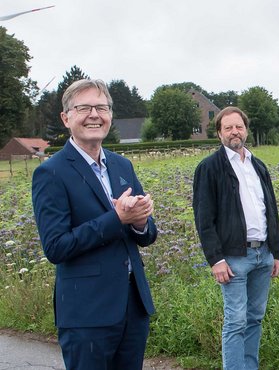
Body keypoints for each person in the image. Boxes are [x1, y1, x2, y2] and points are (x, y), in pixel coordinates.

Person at [31, 79, 158, 369]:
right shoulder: (51, 173)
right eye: (84, 107)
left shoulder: (122, 166)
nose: (94, 115)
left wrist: (140, 222)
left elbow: (146, 233)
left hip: (132, 306)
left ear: (110, 116)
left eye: (102, 107)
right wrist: (116, 219)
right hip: (86, 313)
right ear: (66, 118)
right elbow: (56, 247)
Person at [192, 107, 279, 370]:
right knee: (236, 321)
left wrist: (275, 253)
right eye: (228, 128)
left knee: (255, 318)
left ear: (246, 129)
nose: (235, 132)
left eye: (239, 127)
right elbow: (203, 218)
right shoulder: (209, 168)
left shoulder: (258, 165)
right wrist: (215, 259)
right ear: (219, 133)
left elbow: (271, 210)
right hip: (233, 258)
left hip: (262, 254)